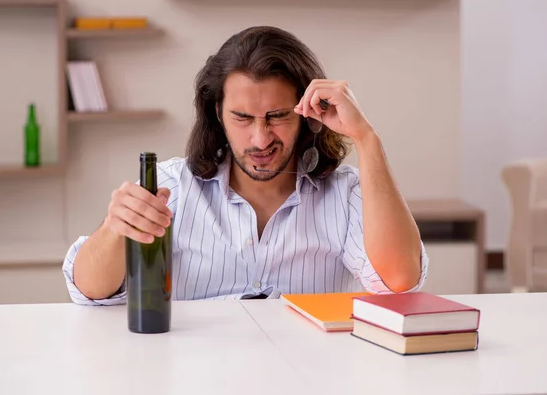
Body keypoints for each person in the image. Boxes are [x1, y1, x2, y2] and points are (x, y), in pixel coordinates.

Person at [63, 26, 429, 305]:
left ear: (307, 113)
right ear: (217, 113)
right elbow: (88, 292)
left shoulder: (345, 192)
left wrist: (366, 139)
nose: (260, 138)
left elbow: (400, 282)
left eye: (277, 116)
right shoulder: (172, 185)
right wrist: (114, 228)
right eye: (242, 117)